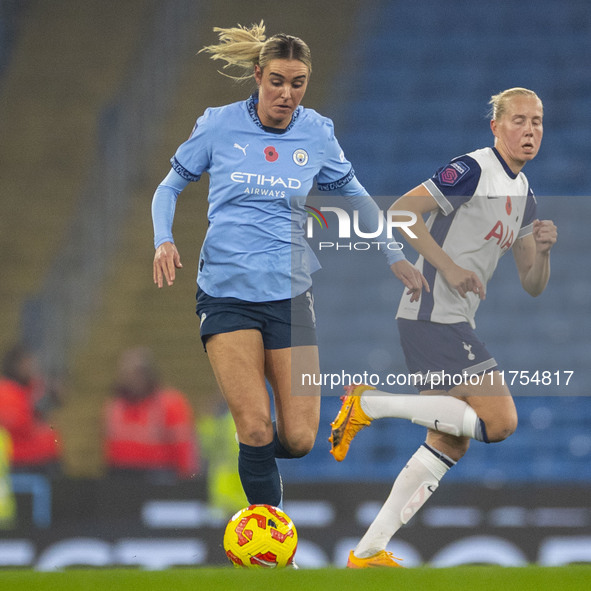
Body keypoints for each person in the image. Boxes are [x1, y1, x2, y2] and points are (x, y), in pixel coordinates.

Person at [152, 21, 427, 509]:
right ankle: (268, 542)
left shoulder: (317, 132)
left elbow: (356, 195)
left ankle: (250, 452)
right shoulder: (218, 124)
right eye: (277, 81)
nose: (286, 94)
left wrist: (394, 254)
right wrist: (163, 240)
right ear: (258, 75)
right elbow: (169, 186)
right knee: (256, 424)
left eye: (297, 83)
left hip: (291, 296)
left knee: (298, 438)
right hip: (227, 293)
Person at [329, 87, 557, 567]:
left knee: (450, 439)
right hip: (432, 313)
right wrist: (449, 268)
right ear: (495, 126)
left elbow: (532, 283)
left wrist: (544, 251)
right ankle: (369, 402)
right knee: (501, 422)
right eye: (519, 120)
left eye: (536, 121)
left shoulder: (524, 195)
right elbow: (403, 212)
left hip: (449, 318)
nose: (530, 129)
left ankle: (368, 551)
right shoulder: (473, 169)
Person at [103, 347, 200, 481]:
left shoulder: (170, 404)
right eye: (125, 373)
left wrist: (186, 481)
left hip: (161, 478)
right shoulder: (115, 407)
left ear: (148, 374)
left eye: (136, 373)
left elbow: (184, 447)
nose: (130, 379)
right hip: (122, 477)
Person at [0, 343, 62, 475]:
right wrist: (35, 409)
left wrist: (53, 393)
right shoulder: (6, 391)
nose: (32, 368)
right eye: (27, 364)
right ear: (15, 365)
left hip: (45, 459)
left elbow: (58, 397)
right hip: (21, 462)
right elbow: (18, 425)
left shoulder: (32, 385)